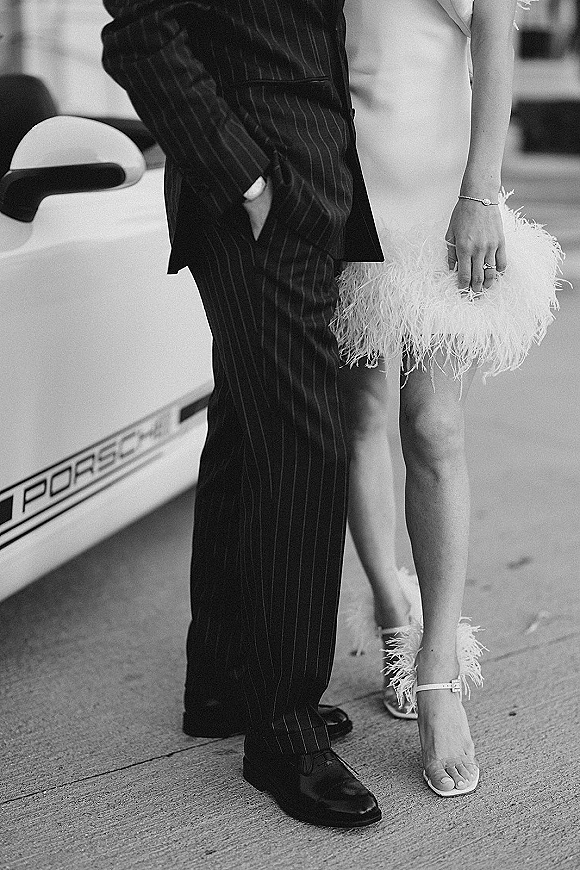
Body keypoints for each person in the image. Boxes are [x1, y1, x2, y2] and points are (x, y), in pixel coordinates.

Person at [101, 0, 385, 828]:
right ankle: (283, 732)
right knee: (304, 452)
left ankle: (227, 684)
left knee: (246, 434)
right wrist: (249, 179)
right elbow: (140, 34)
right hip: (262, 197)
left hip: (301, 187)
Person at [334, 0, 561, 797]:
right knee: (357, 416)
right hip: (339, 178)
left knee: (433, 427)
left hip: (441, 190)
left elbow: (494, 35)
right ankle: (395, 616)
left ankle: (438, 674)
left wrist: (481, 193)